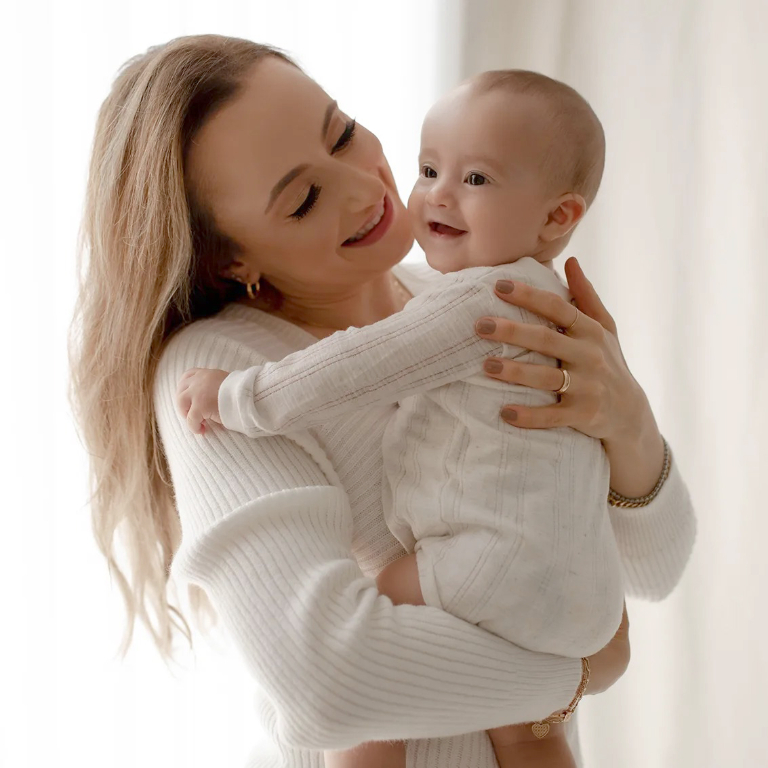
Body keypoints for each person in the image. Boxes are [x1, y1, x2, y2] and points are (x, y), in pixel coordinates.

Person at [69, 35, 696, 768]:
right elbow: (330, 684)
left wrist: (627, 421)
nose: (365, 187)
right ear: (229, 258)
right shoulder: (224, 371)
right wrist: (578, 673)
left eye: (342, 132)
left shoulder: (468, 301)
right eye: (304, 198)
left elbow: (655, 570)